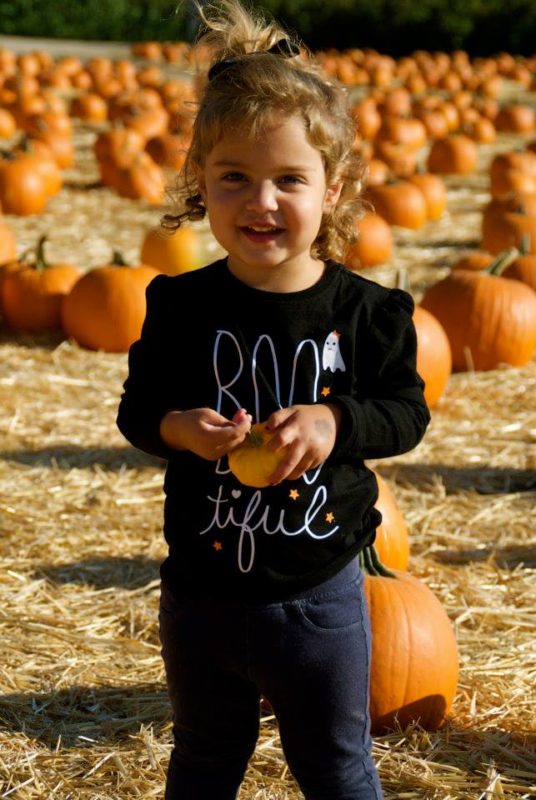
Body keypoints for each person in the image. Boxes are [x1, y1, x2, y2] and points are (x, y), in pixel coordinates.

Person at [116, 1, 430, 797]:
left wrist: (335, 418)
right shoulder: (179, 305)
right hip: (200, 596)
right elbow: (138, 411)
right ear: (201, 184)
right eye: (235, 178)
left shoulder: (368, 313)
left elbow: (406, 413)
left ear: (333, 190)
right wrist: (180, 427)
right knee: (203, 759)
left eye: (290, 180)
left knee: (336, 765)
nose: (262, 201)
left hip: (318, 599)